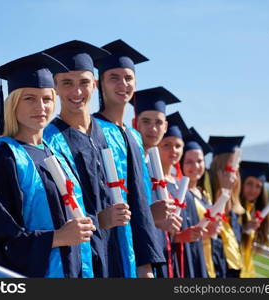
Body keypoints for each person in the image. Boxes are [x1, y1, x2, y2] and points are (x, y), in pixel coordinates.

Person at [43, 40, 164, 278]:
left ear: (94, 85)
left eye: (84, 83)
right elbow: (51, 213)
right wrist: (98, 220)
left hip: (119, 253)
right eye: (67, 83)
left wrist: (145, 264)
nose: (77, 92)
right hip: (81, 262)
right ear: (55, 87)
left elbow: (136, 202)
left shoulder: (111, 136)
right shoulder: (50, 141)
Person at [0, 52, 96, 277]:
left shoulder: (57, 155)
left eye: (47, 98)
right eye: (29, 98)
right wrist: (57, 238)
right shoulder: (5, 161)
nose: (40, 106)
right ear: (13, 104)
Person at [93, 39, 170, 277]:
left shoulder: (134, 137)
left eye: (128, 78)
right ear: (99, 84)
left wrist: (146, 261)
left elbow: (139, 197)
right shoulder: (92, 130)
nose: (122, 83)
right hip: (107, 247)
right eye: (113, 77)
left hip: (136, 251)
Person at [130, 86, 183, 277]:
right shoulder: (127, 162)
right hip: (134, 257)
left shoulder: (153, 166)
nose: (153, 129)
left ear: (166, 127)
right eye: (146, 122)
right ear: (135, 124)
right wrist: (152, 217)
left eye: (158, 123)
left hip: (158, 252)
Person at [164, 113, 208, 278]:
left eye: (178, 145)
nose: (173, 150)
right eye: (167, 144)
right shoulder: (155, 183)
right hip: (170, 263)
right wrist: (180, 237)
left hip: (191, 260)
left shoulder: (182, 187)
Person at [180, 127, 222, 278]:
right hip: (193, 260)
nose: (196, 166)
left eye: (199, 161)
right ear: (181, 164)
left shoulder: (203, 194)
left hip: (210, 258)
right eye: (189, 162)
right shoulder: (181, 195)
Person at [208, 135, 246, 278]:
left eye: (237, 166)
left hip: (232, 268)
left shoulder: (235, 201)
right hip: (215, 266)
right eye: (232, 165)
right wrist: (223, 193)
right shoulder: (206, 190)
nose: (234, 172)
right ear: (220, 166)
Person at [239, 161, 269, 277]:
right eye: (249, 183)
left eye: (258, 186)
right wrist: (243, 228)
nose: (253, 189)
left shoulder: (251, 210)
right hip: (235, 269)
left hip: (248, 270)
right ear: (241, 183)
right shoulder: (233, 209)